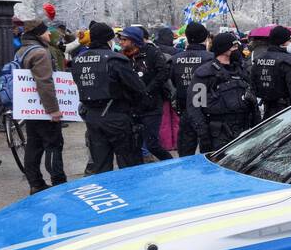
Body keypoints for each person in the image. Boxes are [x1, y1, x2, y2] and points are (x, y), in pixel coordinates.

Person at [72, 21, 148, 174]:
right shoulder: (115, 60)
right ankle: (130, 194)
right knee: (128, 163)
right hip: (116, 115)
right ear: (108, 40)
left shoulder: (78, 60)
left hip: (92, 116)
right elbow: (138, 88)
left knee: (101, 165)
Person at [15, 18, 69, 193]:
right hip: (43, 108)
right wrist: (53, 110)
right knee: (53, 144)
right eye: (45, 31)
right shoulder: (40, 53)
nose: (48, 34)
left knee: (34, 145)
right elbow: (44, 82)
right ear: (38, 33)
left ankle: (35, 183)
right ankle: (58, 182)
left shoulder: (22, 50)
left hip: (31, 108)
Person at [189, 32, 257, 153]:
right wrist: (203, 134)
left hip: (244, 130)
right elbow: (195, 105)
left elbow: (252, 97)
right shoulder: (205, 73)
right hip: (218, 133)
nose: (237, 50)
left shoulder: (241, 70)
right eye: (234, 47)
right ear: (223, 49)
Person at [119, 26, 173, 161]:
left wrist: (148, 91)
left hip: (152, 106)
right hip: (131, 107)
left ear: (134, 40)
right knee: (134, 144)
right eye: (120, 39)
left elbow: (164, 72)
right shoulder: (121, 57)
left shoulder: (152, 52)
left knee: (152, 144)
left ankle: (172, 164)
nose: (121, 42)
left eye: (124, 40)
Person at [170, 23, 214, 157]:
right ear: (205, 38)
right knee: (209, 154)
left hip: (185, 109)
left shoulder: (175, 59)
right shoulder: (211, 58)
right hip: (207, 111)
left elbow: (173, 82)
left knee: (185, 153)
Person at [252, 26, 291, 120]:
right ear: (282, 42)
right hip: (285, 111)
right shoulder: (287, 61)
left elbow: (253, 86)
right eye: (290, 40)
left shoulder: (258, 59)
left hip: (267, 111)